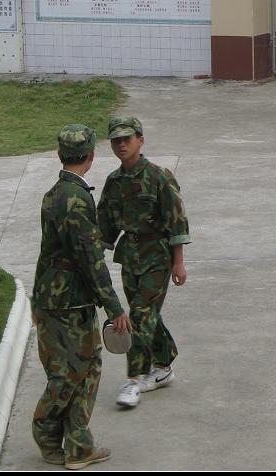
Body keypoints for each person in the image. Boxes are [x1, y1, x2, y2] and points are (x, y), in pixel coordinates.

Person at [31, 124, 132, 470]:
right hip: (69, 302)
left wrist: (35, 298)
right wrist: (114, 307)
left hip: (57, 298)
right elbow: (90, 259)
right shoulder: (76, 199)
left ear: (60, 154)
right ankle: (47, 435)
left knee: (84, 368)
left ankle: (77, 448)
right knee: (72, 373)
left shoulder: (54, 193)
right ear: (91, 155)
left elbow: (45, 253)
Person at [97, 117, 192, 408]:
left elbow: (177, 221)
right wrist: (93, 257)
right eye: (116, 140)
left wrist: (178, 263)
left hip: (158, 257)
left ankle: (133, 379)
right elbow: (105, 224)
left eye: (127, 139)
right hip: (130, 257)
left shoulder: (158, 176)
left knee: (138, 317)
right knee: (148, 314)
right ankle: (163, 367)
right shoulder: (114, 182)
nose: (121, 145)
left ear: (140, 141)